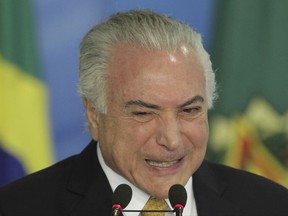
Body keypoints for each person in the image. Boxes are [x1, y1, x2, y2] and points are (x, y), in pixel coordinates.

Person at [0, 9, 287, 216]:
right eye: (144, 114)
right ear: (94, 114)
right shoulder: (18, 207)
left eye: (190, 110)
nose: (172, 140)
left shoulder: (271, 205)